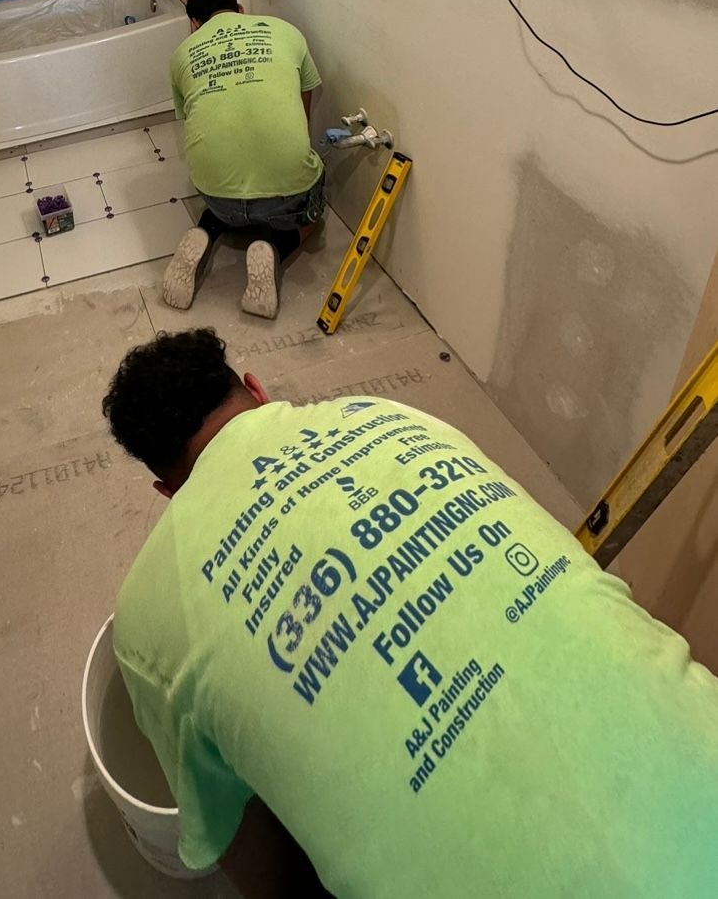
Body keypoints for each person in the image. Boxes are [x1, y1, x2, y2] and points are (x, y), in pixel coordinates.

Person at [103, 329, 718, 899]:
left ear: (166, 490)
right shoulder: (387, 414)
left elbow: (212, 835)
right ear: (257, 389)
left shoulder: (145, 610)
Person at [164, 0, 324, 320]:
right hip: (285, 191)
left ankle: (207, 230)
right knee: (313, 214)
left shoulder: (182, 54)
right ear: (240, 10)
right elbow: (305, 93)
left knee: (226, 188)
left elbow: (193, 122)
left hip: (217, 196)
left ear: (194, 23)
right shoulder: (286, 31)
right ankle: (273, 249)